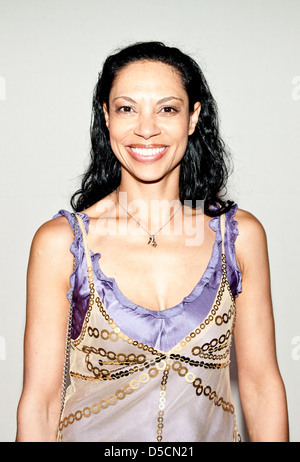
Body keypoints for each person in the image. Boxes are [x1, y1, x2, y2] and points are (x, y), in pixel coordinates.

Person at [16, 41, 289, 442]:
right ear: (106, 116)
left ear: (193, 117)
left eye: (168, 108)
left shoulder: (240, 237)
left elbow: (262, 388)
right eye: (127, 108)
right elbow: (39, 403)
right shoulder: (61, 244)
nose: (147, 128)